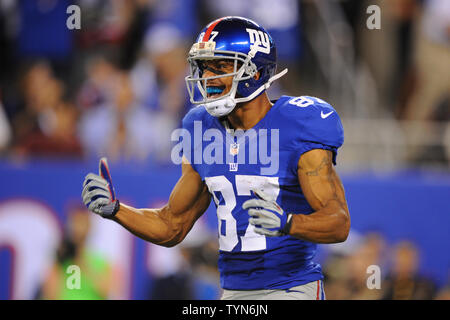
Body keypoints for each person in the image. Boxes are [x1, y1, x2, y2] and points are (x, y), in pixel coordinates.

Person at [82, 16, 350, 300]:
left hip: (291, 288)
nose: (208, 78)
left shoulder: (299, 123)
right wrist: (116, 210)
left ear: (255, 73)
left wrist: (290, 223)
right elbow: (172, 225)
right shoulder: (201, 127)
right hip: (233, 293)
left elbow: (338, 222)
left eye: (221, 66)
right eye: (204, 67)